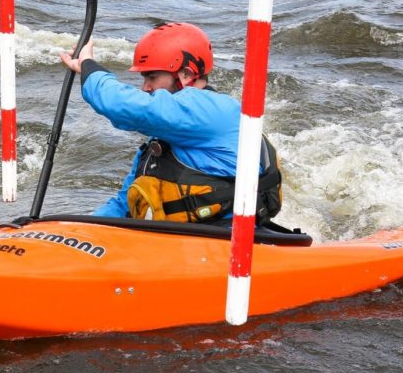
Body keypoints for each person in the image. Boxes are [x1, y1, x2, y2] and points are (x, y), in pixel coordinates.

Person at [60, 22, 281, 224]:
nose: (145, 87)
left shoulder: (212, 109)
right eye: (144, 78)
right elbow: (125, 205)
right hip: (183, 242)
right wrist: (79, 229)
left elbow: (120, 105)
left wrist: (90, 68)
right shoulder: (167, 133)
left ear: (185, 75)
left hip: (224, 240)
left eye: (152, 77)